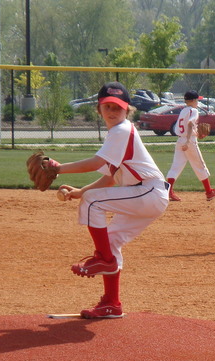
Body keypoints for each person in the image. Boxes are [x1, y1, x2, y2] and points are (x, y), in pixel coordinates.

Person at [53, 81, 169, 319]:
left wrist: (58, 169)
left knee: (94, 203)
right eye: (108, 106)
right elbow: (108, 180)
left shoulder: (121, 130)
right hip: (144, 196)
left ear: (128, 109)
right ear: (99, 109)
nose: (112, 111)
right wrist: (79, 192)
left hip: (148, 192)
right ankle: (111, 304)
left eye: (118, 106)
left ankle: (104, 260)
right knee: (111, 238)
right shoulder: (118, 134)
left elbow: (96, 163)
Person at [165, 90, 215, 202]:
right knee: (200, 165)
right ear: (193, 100)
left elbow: (186, 126)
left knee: (176, 166)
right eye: (197, 100)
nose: (198, 102)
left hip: (180, 140)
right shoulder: (194, 111)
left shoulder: (183, 111)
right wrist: (189, 140)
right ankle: (209, 192)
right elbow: (190, 124)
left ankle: (168, 192)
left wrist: (196, 134)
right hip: (188, 142)